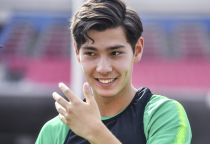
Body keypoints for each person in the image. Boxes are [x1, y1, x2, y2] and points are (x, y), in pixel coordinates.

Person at [36, 0, 192, 143]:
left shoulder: (163, 115)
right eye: (91, 53)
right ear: (77, 53)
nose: (103, 68)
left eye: (115, 53)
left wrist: (94, 131)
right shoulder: (54, 130)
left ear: (137, 50)